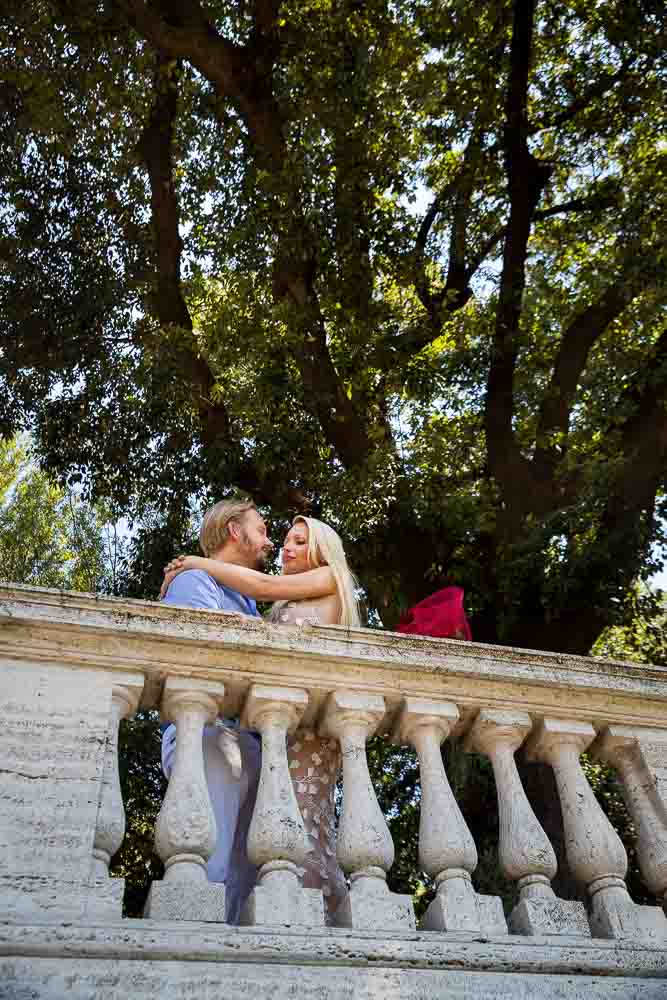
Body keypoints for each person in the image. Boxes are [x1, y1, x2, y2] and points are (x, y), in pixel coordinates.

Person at [162, 514, 361, 921]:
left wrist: (194, 562)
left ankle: (311, 935)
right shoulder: (279, 606)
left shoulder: (328, 577)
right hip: (272, 739)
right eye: (283, 538)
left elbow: (264, 585)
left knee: (302, 834)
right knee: (274, 848)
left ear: (321, 550)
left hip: (305, 738)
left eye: (299, 541)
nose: (285, 547)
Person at [160, 497, 273, 924]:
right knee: (211, 867)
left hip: (251, 746)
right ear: (233, 530)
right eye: (260, 529)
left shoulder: (247, 599)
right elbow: (200, 659)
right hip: (208, 741)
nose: (267, 540)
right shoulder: (193, 582)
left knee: (246, 887)